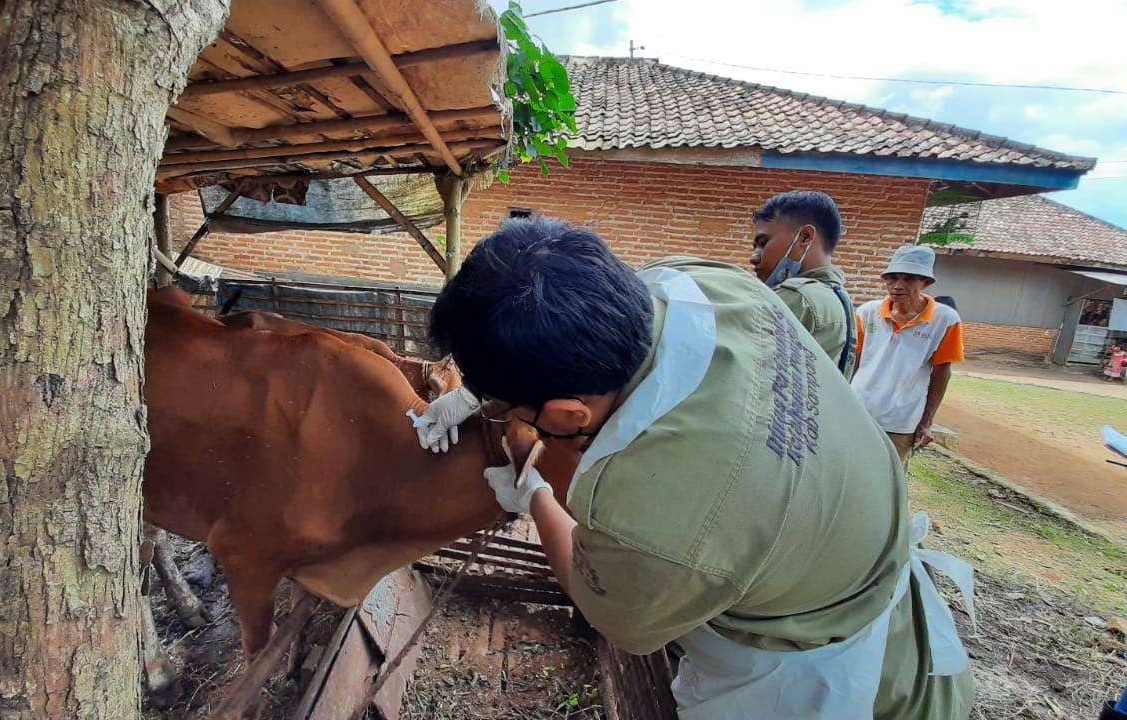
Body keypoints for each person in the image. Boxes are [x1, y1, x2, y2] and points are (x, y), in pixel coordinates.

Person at [412, 217, 975, 719]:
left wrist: (533, 491)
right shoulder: (704, 282)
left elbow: (610, 613)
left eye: (510, 409)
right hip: (856, 562)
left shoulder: (650, 520)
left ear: (567, 415)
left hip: (820, 677)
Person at [852, 245, 965, 468]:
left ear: (926, 283)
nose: (898, 286)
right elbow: (854, 361)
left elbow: (942, 372)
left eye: (909, 279)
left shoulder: (946, 320)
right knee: (848, 471)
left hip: (901, 421)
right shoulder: (867, 312)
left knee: (889, 481)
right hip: (857, 412)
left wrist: (927, 421)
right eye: (892, 278)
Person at [750, 191, 857, 378]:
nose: (754, 257)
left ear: (805, 237)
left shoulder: (799, 296)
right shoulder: (839, 298)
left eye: (763, 243)